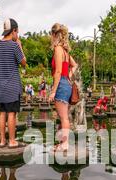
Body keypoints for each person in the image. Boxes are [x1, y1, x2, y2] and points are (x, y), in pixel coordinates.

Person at [0, 18, 27, 149]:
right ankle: (12, 141)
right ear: (13, 31)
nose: (17, 35)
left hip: (0, 88)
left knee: (2, 113)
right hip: (12, 87)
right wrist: (20, 45)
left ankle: (2, 141)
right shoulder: (14, 46)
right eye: (17, 32)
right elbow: (23, 63)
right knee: (12, 114)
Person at [48, 23, 78, 152]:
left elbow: (58, 72)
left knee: (64, 117)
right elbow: (75, 65)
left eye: (51, 34)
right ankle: (62, 142)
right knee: (63, 116)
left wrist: (53, 91)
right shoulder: (65, 51)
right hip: (67, 84)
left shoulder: (58, 49)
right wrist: (69, 76)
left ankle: (65, 144)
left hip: (61, 85)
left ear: (54, 34)